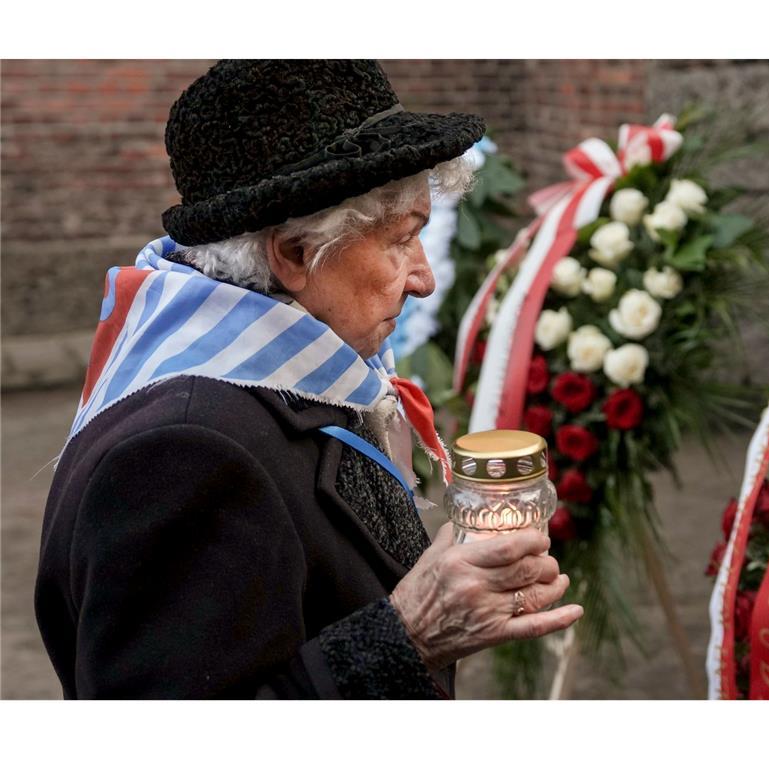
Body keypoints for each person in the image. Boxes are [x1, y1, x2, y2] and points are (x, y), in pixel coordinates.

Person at [34, 60, 583, 699]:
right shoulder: (184, 452)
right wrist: (412, 635)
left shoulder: (292, 372)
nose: (424, 278)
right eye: (402, 240)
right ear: (295, 253)